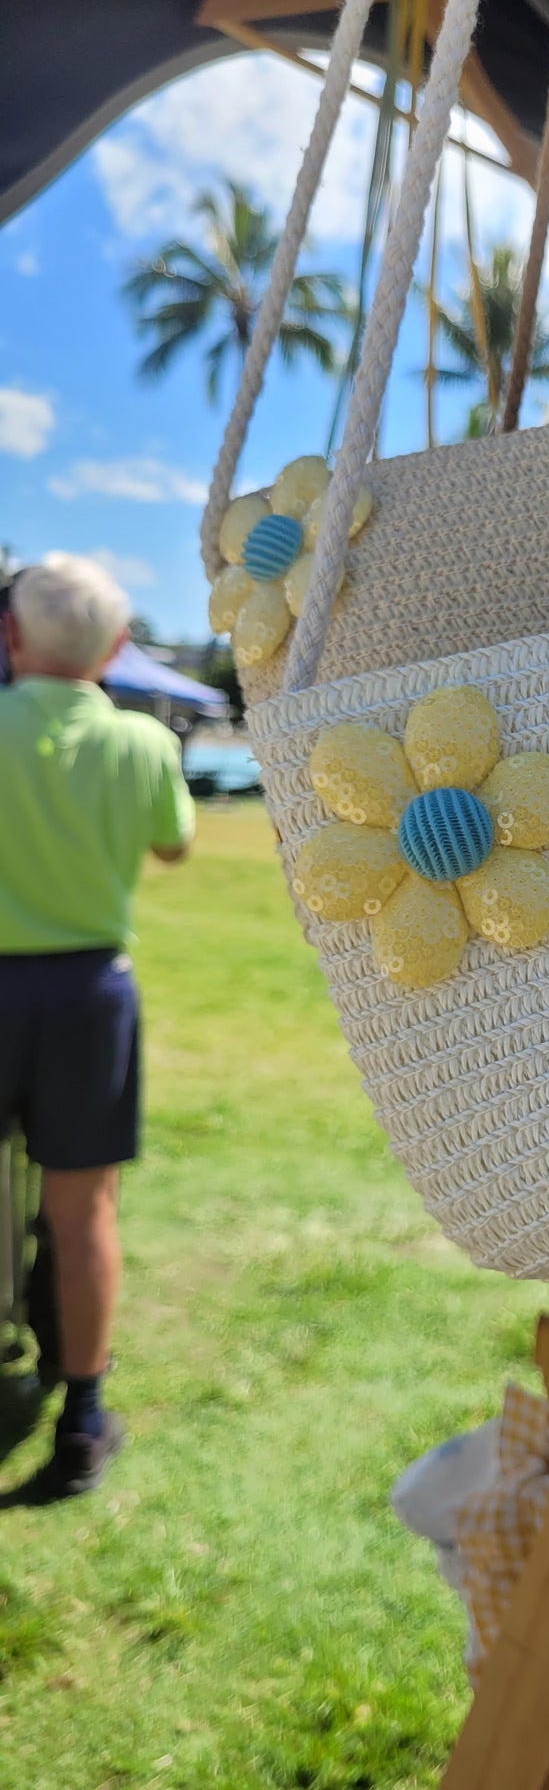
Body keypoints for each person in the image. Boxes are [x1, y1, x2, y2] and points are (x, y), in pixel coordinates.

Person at [0, 556, 194, 1497]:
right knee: (83, 1214)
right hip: (88, 994)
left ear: (10, 637)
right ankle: (81, 1417)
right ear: (117, 649)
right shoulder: (143, 743)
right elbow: (175, 842)